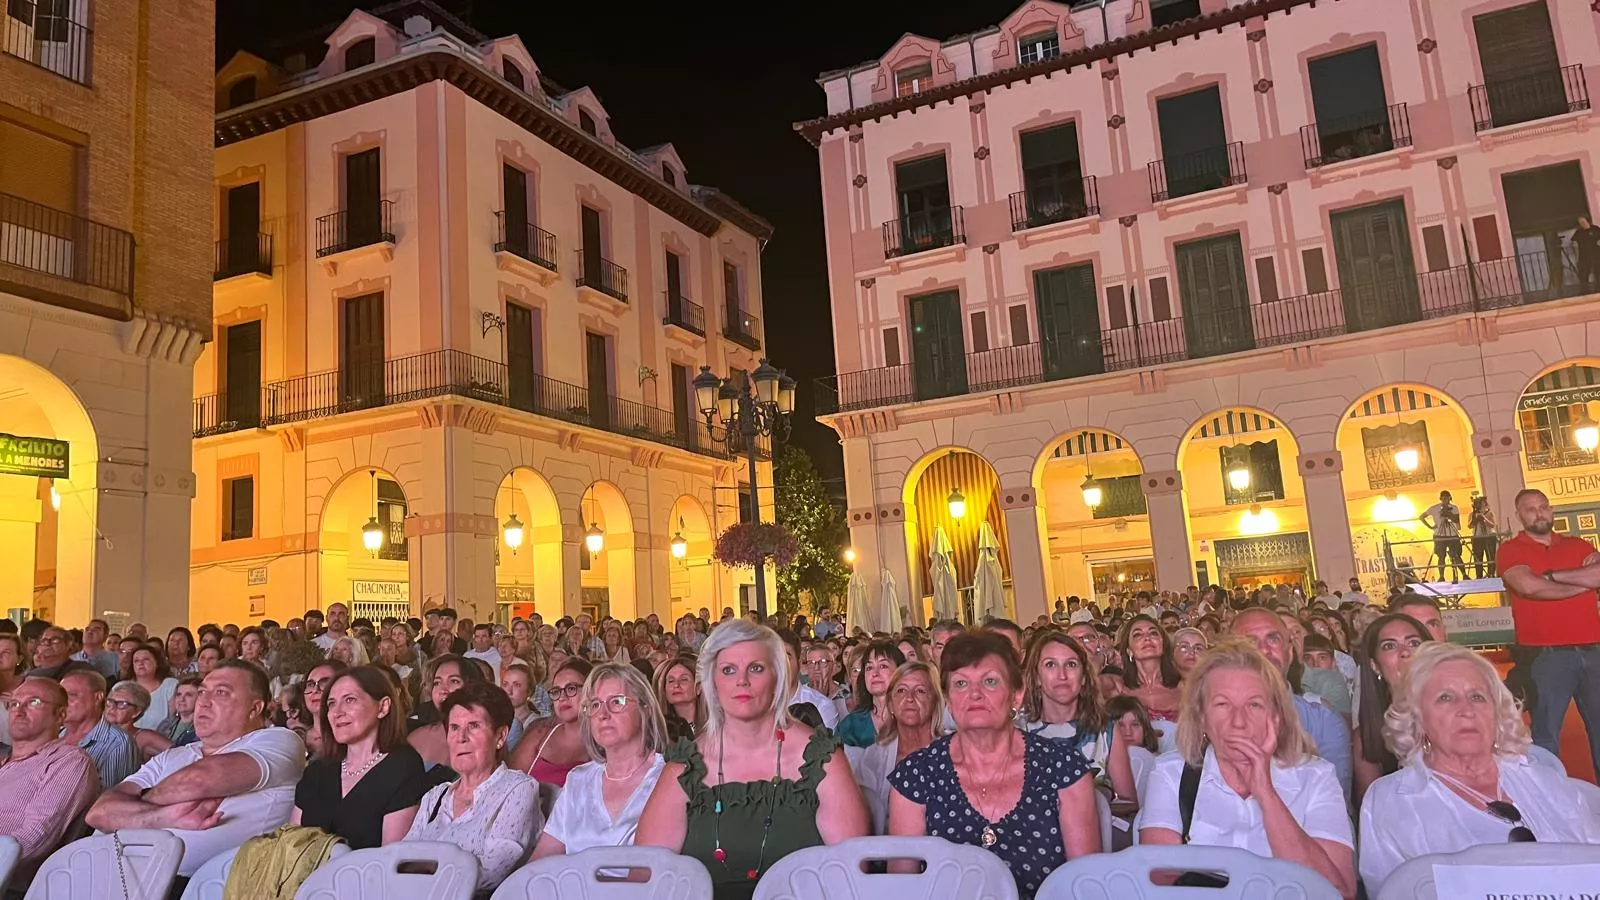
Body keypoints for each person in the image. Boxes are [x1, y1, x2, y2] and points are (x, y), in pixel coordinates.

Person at [637, 620, 867, 900]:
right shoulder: (684, 765)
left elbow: (852, 876)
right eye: (728, 670)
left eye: (755, 668)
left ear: (777, 677)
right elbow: (648, 876)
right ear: (712, 683)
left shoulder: (822, 757)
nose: (741, 680)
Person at [1359, 642, 1600, 893]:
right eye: (1445, 698)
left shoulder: (1543, 780)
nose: (1466, 710)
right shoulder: (1392, 800)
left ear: (1497, 712)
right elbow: (1395, 893)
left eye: (1477, 697)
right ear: (1416, 718)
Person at [888, 631, 1098, 899]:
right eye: (961, 684)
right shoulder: (916, 776)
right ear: (948, 699)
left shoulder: (1064, 769)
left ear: (1016, 695)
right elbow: (903, 889)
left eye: (989, 682)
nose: (974, 694)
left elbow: (1085, 885)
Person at [1140, 641, 1356, 899]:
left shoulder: (1316, 776)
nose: (1239, 721)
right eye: (1222, 704)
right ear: (1201, 717)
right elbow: (1155, 883)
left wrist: (1265, 793)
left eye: (1254, 705)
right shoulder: (1171, 773)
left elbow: (1338, 892)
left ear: (1275, 716)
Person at [86, 661, 308, 878]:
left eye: (221, 692)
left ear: (255, 708)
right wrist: (163, 816)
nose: (204, 702)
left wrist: (134, 805)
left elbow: (198, 780)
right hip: (111, 874)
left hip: (199, 887)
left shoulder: (278, 740)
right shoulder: (173, 756)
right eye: (202, 692)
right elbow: (99, 813)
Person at [402, 681, 541, 894]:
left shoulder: (518, 789)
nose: (461, 738)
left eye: (474, 726)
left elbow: (491, 874)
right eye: (454, 728)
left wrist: (421, 878)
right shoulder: (435, 796)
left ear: (501, 736)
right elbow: (400, 860)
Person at [1498, 487, 1600, 776]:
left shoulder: (1578, 545)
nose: (1538, 513)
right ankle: (1551, 804)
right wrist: (1584, 584)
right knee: (1545, 738)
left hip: (1594, 650)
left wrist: (1553, 576)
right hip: (1545, 655)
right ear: (1519, 515)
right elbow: (1530, 586)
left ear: (1551, 509)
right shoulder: (1510, 550)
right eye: (1530, 509)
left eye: (1543, 506)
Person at [532, 662, 668, 858]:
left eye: (616, 702)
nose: (603, 715)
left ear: (645, 708)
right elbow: (540, 861)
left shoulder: (667, 776)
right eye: (594, 705)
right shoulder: (578, 779)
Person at [293, 665, 424, 849]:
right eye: (331, 703)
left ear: (383, 707)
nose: (337, 712)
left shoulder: (402, 767)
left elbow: (391, 859)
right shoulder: (317, 771)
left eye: (350, 700)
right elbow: (291, 845)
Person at [1228, 608, 1352, 797]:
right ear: (1228, 655)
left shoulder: (1324, 723)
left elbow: (1334, 808)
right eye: (1250, 642)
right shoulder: (1207, 721)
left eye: (1273, 639)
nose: (1263, 650)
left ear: (1290, 652)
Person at [1020, 631, 1137, 804]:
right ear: (1037, 677)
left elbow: (1129, 802)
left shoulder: (1105, 729)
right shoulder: (1016, 731)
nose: (1062, 675)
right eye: (1050, 664)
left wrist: (1100, 800)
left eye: (1071, 664)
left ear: (1083, 677)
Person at [0, 678, 100, 875]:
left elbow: (35, 838)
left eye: (34, 702)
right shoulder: (5, 763)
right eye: (14, 703)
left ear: (61, 715)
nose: (19, 711)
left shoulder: (69, 762)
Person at [853, 661, 943, 834]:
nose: (909, 698)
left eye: (920, 691)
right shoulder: (872, 757)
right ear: (891, 704)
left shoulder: (952, 751)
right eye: (901, 691)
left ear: (935, 702)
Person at [1352, 613, 1431, 802]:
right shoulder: (1366, 738)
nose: (1405, 652)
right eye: (1389, 646)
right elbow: (1373, 810)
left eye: (1413, 643)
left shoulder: (1461, 713)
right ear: (1374, 666)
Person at [508, 658, 591, 787]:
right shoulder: (540, 732)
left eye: (571, 688)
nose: (562, 698)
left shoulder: (604, 741)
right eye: (556, 691)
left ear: (590, 691)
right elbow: (508, 784)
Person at [61, 668, 142, 790]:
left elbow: (109, 801)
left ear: (98, 697)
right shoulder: (53, 734)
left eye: (71, 695)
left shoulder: (117, 743)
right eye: (60, 696)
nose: (62, 702)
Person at [1117, 614, 1182, 752]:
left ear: (1163, 645)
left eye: (1153, 633)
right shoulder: (1117, 687)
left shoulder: (1184, 687)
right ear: (1129, 650)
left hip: (1179, 767)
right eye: (1137, 635)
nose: (1147, 638)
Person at [835, 641, 905, 748]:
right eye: (869, 668)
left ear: (900, 671)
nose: (875, 673)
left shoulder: (912, 719)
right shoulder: (850, 726)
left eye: (883, 666)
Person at [105, 680, 174, 759]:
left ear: (136, 712)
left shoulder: (143, 737)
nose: (112, 708)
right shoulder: (97, 731)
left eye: (122, 704)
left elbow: (184, 756)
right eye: (110, 701)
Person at [655, 653, 704, 742]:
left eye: (684, 679)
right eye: (671, 681)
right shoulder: (658, 729)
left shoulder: (716, 725)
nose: (676, 685)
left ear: (698, 687)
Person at [1421, 490, 1465, 583]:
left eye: (1447, 498)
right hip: (1439, 535)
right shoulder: (1434, 508)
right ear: (1441, 499)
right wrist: (1430, 527)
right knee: (1441, 556)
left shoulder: (1454, 508)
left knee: (1456, 555)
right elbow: (1422, 516)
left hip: (1452, 534)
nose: (1446, 500)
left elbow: (1456, 520)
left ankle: (1464, 574)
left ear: (1450, 498)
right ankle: (1441, 576)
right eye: (1443, 498)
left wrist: (1448, 513)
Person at [155, 675, 202, 746]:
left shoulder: (204, 729)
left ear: (200, 698)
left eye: (188, 695)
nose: (181, 699)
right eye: (178, 694)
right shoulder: (165, 724)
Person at [1571, 214, 1600, 292]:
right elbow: (1574, 243)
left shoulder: (1595, 229)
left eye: (1583, 221)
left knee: (1598, 272)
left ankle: (1598, 289)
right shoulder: (1579, 232)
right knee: (1584, 274)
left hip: (1596, 255)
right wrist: (1576, 256)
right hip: (1584, 257)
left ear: (1587, 221)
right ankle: (1584, 291)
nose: (1582, 223)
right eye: (1580, 222)